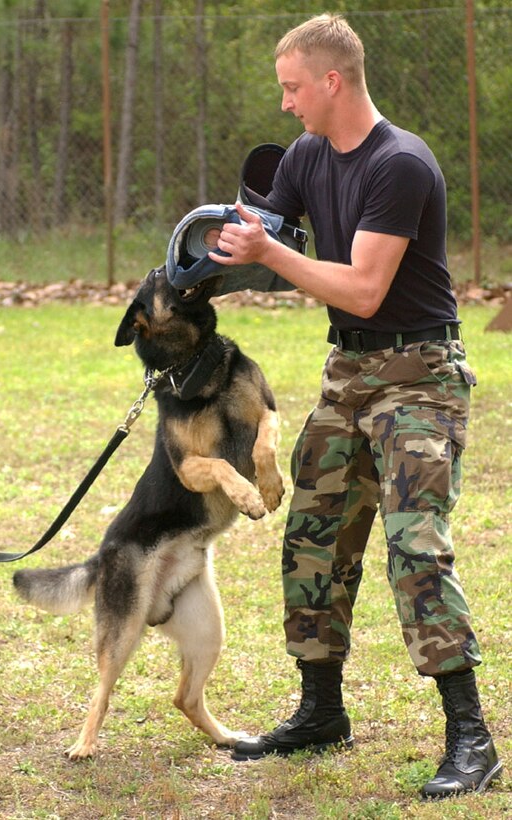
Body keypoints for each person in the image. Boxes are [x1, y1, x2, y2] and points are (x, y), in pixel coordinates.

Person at [208, 15, 502, 800]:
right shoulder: (306, 155)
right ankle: (321, 711)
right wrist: (208, 261)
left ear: (331, 82)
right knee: (313, 536)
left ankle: (471, 738)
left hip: (419, 374)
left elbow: (366, 287)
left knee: (416, 547)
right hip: (350, 371)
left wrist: (270, 252)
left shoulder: (400, 164)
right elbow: (267, 241)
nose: (285, 104)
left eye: (292, 87)